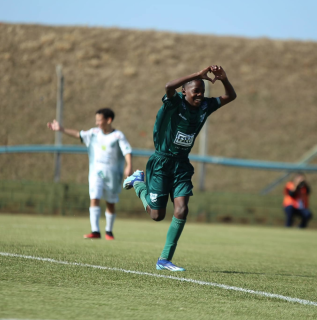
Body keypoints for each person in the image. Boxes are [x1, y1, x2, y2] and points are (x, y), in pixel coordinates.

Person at [123, 65, 237, 271]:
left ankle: (164, 260)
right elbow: (168, 86)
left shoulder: (205, 106)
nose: (201, 95)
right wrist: (197, 74)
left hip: (182, 165)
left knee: (182, 209)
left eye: (203, 91)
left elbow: (231, 96)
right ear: (184, 91)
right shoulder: (174, 103)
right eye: (196, 91)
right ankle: (139, 183)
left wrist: (224, 79)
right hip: (161, 162)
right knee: (157, 216)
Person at [47, 108, 132, 240]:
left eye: (99, 120)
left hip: (112, 175)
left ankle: (109, 231)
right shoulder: (94, 133)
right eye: (96, 120)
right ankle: (95, 231)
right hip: (96, 173)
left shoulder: (118, 136)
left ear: (108, 120)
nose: (97, 123)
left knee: (110, 202)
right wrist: (61, 129)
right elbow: (78, 134)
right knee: (94, 197)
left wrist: (129, 166)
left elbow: (127, 151)